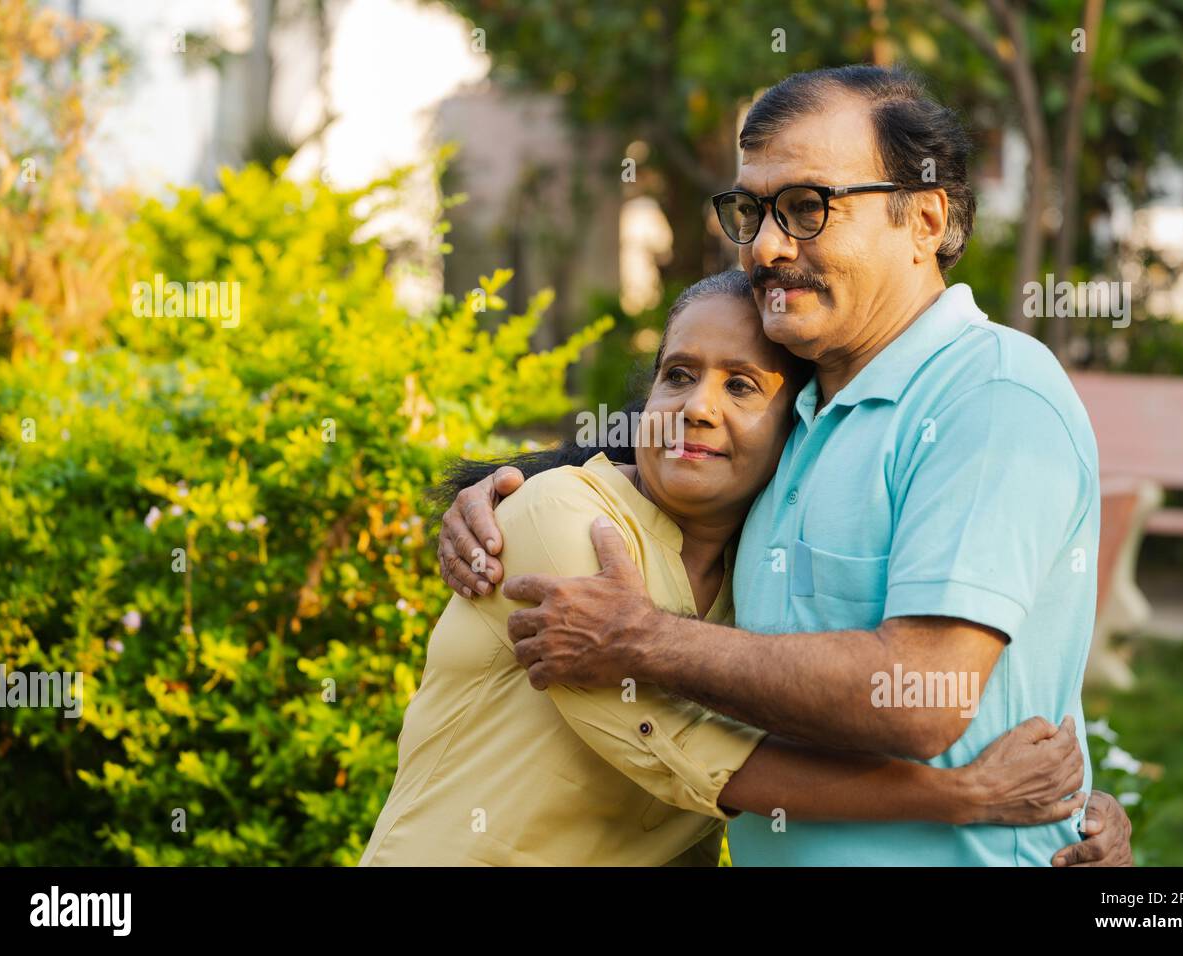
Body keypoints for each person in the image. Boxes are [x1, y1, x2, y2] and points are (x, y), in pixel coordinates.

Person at [437, 65, 1135, 867]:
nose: (767, 246)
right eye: (753, 210)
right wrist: (506, 497)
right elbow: (663, 481)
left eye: (808, 208)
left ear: (926, 219)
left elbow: (926, 697)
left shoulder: (990, 396)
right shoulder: (795, 410)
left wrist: (644, 643)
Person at [361, 273, 1088, 866]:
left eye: (742, 387)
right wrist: (961, 798)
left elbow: (869, 680)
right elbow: (689, 752)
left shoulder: (765, 583)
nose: (696, 408)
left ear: (797, 429)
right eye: (678, 376)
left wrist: (1078, 816)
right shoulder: (563, 516)